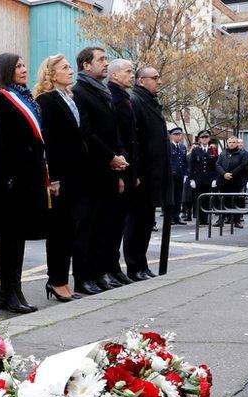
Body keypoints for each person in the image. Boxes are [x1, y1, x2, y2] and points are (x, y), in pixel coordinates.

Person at [0, 52, 47, 312]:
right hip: (12, 177)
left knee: (19, 237)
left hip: (29, 176)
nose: (24, 69)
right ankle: (7, 292)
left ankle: (16, 290)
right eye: (18, 66)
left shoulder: (26, 97)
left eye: (24, 64)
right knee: (9, 238)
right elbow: (1, 139)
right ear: (5, 70)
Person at [72, 47, 129, 294]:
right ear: (86, 65)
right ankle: (83, 277)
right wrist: (110, 157)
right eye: (101, 60)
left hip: (109, 170)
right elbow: (86, 131)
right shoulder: (80, 92)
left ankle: (98, 273)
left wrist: (117, 165)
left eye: (107, 59)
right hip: (90, 170)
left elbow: (112, 131)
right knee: (87, 227)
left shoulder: (103, 91)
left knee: (103, 227)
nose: (106, 64)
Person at [36, 54, 84, 302]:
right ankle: (56, 280)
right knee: (59, 231)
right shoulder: (47, 100)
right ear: (51, 74)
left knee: (70, 229)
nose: (71, 71)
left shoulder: (69, 99)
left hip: (74, 174)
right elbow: (49, 142)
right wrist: (52, 178)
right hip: (60, 176)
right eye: (65, 68)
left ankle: (63, 280)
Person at [126, 66, 168, 281]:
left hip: (152, 174)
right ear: (141, 81)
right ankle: (134, 267)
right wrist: (137, 172)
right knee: (136, 222)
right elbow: (135, 141)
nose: (159, 81)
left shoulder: (150, 101)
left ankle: (141, 265)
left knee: (145, 223)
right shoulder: (136, 101)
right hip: (142, 174)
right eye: (154, 78)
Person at [105, 58, 137, 287]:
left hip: (127, 167)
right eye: (128, 71)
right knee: (111, 223)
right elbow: (116, 136)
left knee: (117, 225)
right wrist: (118, 174)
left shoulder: (124, 97)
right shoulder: (113, 97)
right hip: (117, 167)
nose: (132, 75)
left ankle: (114, 268)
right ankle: (108, 268)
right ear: (114, 75)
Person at [214, 137, 248, 227]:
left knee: (236, 201)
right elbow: (218, 164)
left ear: (237, 143)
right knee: (222, 201)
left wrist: (231, 174)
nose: (231, 144)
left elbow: (243, 165)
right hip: (223, 180)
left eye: (233, 142)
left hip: (236, 181)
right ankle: (221, 219)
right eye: (230, 142)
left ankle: (236, 220)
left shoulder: (242, 154)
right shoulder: (223, 153)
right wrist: (224, 174)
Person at [188, 130, 217, 222]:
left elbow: (216, 166)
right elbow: (191, 166)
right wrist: (191, 179)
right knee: (198, 198)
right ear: (200, 139)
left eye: (206, 137)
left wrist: (215, 179)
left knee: (207, 199)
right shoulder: (196, 150)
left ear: (209, 139)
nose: (204, 139)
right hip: (198, 179)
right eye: (202, 138)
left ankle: (205, 218)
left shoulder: (213, 150)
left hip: (209, 179)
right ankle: (199, 218)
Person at [169, 128, 188, 225]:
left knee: (178, 197)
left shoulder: (182, 147)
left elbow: (184, 162)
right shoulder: (168, 146)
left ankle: (176, 217)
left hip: (180, 175)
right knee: (171, 197)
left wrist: (185, 174)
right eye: (176, 134)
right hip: (172, 176)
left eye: (179, 134)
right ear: (171, 136)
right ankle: (170, 217)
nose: (178, 136)